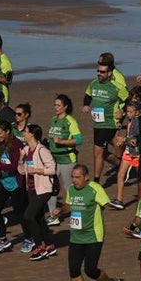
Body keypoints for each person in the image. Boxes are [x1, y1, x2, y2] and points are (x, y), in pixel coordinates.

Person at [65, 163, 121, 281]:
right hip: (76, 236)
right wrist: (60, 210)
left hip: (93, 236)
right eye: (72, 177)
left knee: (90, 270)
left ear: (86, 177)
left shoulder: (95, 189)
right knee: (73, 270)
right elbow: (69, 205)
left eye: (77, 177)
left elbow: (107, 204)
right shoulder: (71, 189)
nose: (74, 180)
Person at [83, 60, 125, 185]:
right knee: (103, 152)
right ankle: (121, 163)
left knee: (97, 151)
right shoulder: (94, 83)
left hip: (110, 123)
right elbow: (88, 95)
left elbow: (128, 99)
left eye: (102, 72)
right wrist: (86, 105)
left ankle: (96, 182)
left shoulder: (116, 86)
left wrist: (122, 111)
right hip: (97, 124)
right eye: (98, 71)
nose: (99, 74)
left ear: (109, 73)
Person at [19, 123, 58, 260]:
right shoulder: (26, 150)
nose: (24, 134)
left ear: (32, 134)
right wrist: (21, 160)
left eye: (26, 132)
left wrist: (37, 170)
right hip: (31, 188)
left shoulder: (42, 151)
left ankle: (38, 247)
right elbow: (22, 171)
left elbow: (52, 169)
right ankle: (49, 245)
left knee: (28, 216)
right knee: (39, 218)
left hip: (43, 189)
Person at [0, 120, 27, 253]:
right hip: (4, 182)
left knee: (19, 214)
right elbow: (4, 161)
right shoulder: (2, 143)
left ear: (7, 132)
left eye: (0, 133)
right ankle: (3, 239)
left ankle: (29, 238)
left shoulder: (16, 144)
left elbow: (14, 166)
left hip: (16, 184)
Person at [48, 93, 83, 221]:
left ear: (65, 107)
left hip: (67, 160)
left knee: (69, 188)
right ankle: (53, 216)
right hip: (54, 160)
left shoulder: (70, 121)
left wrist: (62, 142)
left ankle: (76, 214)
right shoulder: (53, 120)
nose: (56, 107)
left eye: (58, 105)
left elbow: (78, 140)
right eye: (55, 105)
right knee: (51, 187)